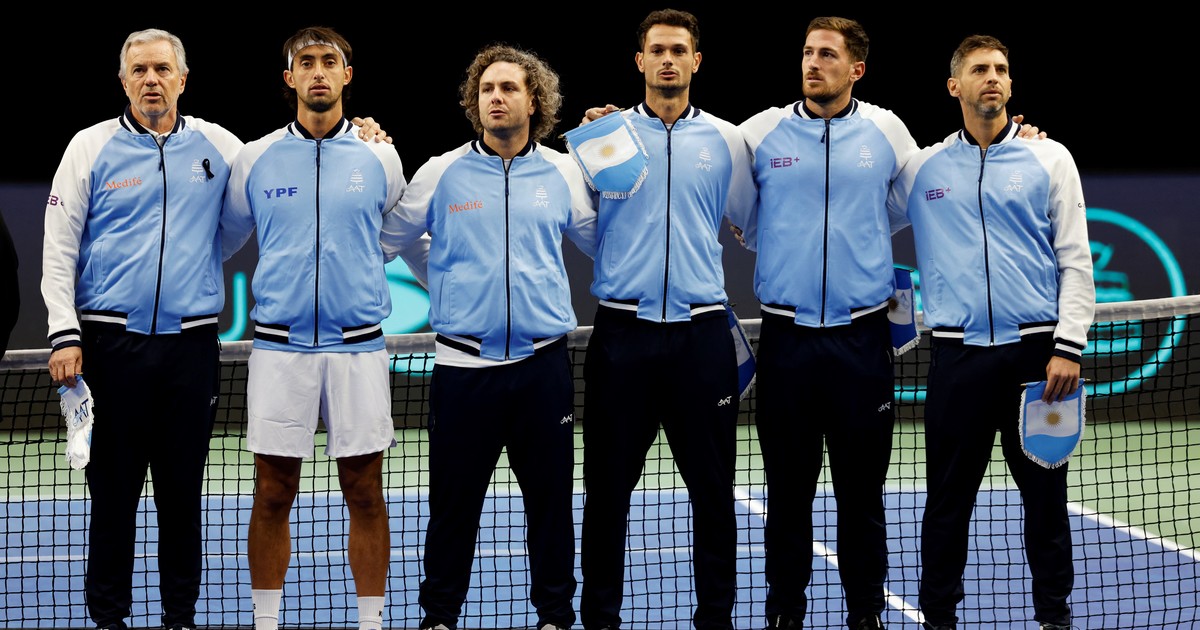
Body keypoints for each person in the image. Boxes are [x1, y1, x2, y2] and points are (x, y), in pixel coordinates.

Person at [40, 27, 389, 630]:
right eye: (140, 71)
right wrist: (64, 332)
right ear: (123, 82)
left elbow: (231, 229)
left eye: (162, 70)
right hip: (110, 344)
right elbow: (59, 244)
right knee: (113, 494)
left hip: (190, 346)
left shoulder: (224, 147)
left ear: (182, 79)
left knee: (182, 493)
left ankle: (179, 617)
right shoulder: (89, 147)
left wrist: (367, 133)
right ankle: (109, 619)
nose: (152, 80)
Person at [887, 34, 1094, 630]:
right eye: (980, 69)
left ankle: (1054, 617)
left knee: (1046, 503)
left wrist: (1068, 346)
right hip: (959, 360)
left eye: (1001, 68)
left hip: (1039, 360)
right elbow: (853, 212)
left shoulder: (1050, 157)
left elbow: (1075, 258)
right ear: (955, 86)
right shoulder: (922, 168)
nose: (994, 77)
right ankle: (938, 618)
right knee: (947, 504)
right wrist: (756, 226)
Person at [389, 43, 596, 630]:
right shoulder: (441, 171)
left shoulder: (562, 171)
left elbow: (605, 244)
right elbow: (388, 238)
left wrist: (616, 161)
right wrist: (442, 277)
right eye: (486, 89)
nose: (495, 98)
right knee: (452, 508)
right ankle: (439, 617)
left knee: (550, 507)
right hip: (463, 371)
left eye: (508, 88)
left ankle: (555, 616)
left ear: (535, 101)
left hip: (542, 369)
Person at [218, 26, 410, 630]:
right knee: (272, 492)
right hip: (280, 350)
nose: (318, 71)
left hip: (359, 349)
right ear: (290, 77)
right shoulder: (255, 158)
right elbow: (223, 238)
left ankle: (371, 624)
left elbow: (399, 235)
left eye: (330, 61)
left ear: (347, 75)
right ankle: (265, 624)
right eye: (306, 62)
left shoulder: (381, 155)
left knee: (366, 492)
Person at [732, 17, 918, 630]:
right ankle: (785, 611)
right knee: (788, 493)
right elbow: (734, 205)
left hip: (861, 342)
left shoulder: (888, 130)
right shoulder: (758, 132)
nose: (813, 63)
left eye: (828, 55)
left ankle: (865, 613)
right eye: (808, 52)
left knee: (861, 495)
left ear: (856, 69)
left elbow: (915, 197)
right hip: (785, 341)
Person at [575, 9, 756, 630]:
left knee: (714, 494)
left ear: (696, 61)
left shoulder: (728, 141)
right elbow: (578, 219)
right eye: (657, 50)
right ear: (640, 61)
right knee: (606, 494)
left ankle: (716, 620)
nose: (668, 60)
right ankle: (600, 619)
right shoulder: (603, 137)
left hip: (702, 340)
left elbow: (753, 220)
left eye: (679, 50)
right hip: (620, 338)